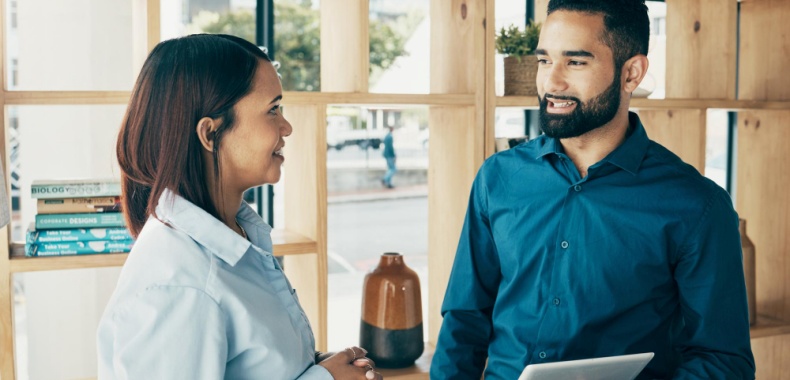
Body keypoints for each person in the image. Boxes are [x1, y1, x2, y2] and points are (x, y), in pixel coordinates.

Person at [430, 1, 755, 379]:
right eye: (544, 61)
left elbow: (722, 360)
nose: (552, 83)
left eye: (576, 62)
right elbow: (464, 321)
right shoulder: (498, 178)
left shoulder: (696, 206)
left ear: (631, 73)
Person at [97, 34, 381, 380]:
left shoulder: (239, 238)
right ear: (209, 134)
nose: (287, 126)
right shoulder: (177, 285)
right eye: (273, 110)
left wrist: (315, 366)